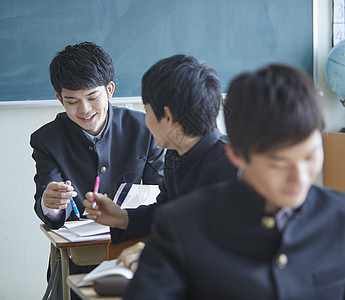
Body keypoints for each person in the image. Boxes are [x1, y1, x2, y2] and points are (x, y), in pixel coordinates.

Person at [124, 64, 345, 299]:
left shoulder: (339, 217)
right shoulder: (181, 227)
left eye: (310, 156)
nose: (299, 178)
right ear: (236, 155)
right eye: (279, 163)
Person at [30, 41, 164, 299]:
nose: (85, 110)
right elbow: (51, 209)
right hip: (79, 261)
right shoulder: (46, 139)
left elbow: (161, 197)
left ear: (110, 90)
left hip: (137, 252)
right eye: (72, 101)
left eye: (93, 97)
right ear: (59, 99)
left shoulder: (145, 129)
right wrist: (52, 203)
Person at [83, 54, 237, 246]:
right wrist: (121, 217)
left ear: (168, 117)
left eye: (147, 111)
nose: (146, 122)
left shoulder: (233, 167)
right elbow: (165, 213)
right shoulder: (178, 154)